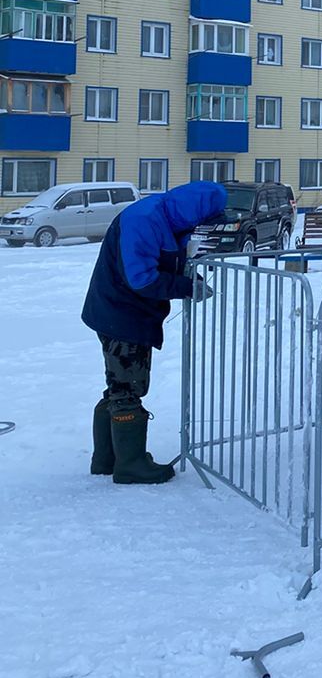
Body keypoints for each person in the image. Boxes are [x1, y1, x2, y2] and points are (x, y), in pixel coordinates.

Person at [82, 181, 227, 485]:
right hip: (120, 313)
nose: (205, 227)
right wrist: (186, 288)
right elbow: (142, 279)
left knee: (119, 384)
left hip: (125, 312)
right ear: (195, 212)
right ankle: (130, 465)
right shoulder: (143, 220)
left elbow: (165, 259)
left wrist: (188, 276)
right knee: (128, 386)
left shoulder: (170, 218)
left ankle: (108, 459)